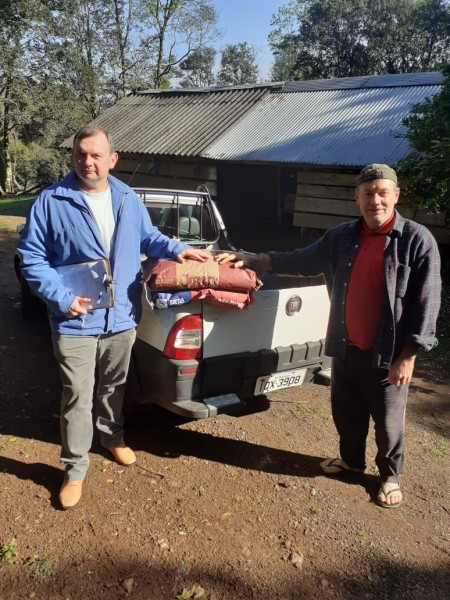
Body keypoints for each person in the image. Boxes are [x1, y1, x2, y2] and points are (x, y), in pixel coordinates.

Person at [216, 164, 441, 508]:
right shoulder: (341, 237)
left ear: (396, 195)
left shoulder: (416, 240)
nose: (375, 200)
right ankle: (351, 460)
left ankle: (390, 476)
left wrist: (408, 355)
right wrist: (253, 259)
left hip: (388, 353)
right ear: (357, 198)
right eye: (368, 193)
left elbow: (426, 302)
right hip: (345, 346)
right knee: (346, 412)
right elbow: (301, 260)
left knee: (388, 424)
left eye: (383, 193)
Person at [17, 126, 210, 510]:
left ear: (112, 159)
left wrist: (177, 249)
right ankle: (74, 468)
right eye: (80, 154)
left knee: (115, 386)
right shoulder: (52, 200)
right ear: (72, 156)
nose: (87, 162)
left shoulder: (126, 197)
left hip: (121, 316)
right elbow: (32, 257)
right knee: (76, 395)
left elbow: (149, 237)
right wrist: (61, 297)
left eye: (95, 155)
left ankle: (112, 437)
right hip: (74, 320)